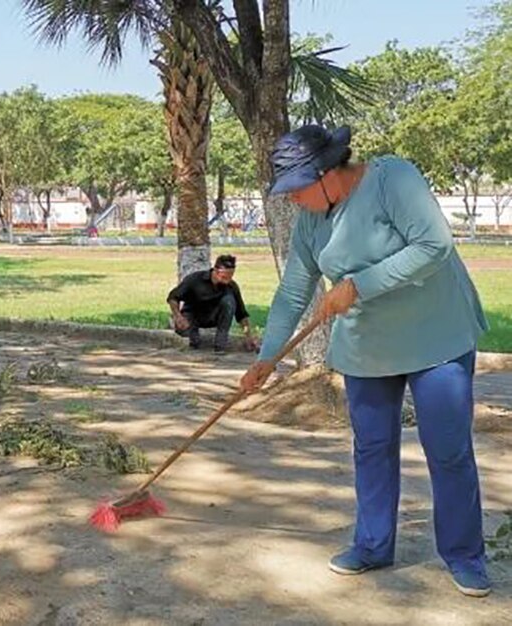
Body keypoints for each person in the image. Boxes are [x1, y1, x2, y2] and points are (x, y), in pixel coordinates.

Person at [240, 125, 490, 597]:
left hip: (436, 337)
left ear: (327, 174)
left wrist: (358, 285)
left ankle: (464, 555)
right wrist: (268, 358)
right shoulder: (312, 222)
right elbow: (293, 292)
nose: (292, 201)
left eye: (297, 190)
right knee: (371, 448)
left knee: (448, 450)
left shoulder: (393, 178)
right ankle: (373, 545)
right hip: (367, 349)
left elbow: (434, 245)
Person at [167, 254, 257, 353]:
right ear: (215, 271)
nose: (228, 280)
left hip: (214, 317)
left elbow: (241, 314)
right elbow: (173, 297)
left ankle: (220, 345)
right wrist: (178, 316)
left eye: (231, 276)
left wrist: (249, 336)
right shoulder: (195, 279)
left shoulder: (231, 286)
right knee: (192, 342)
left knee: (229, 300)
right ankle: (193, 338)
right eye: (224, 276)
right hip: (192, 316)